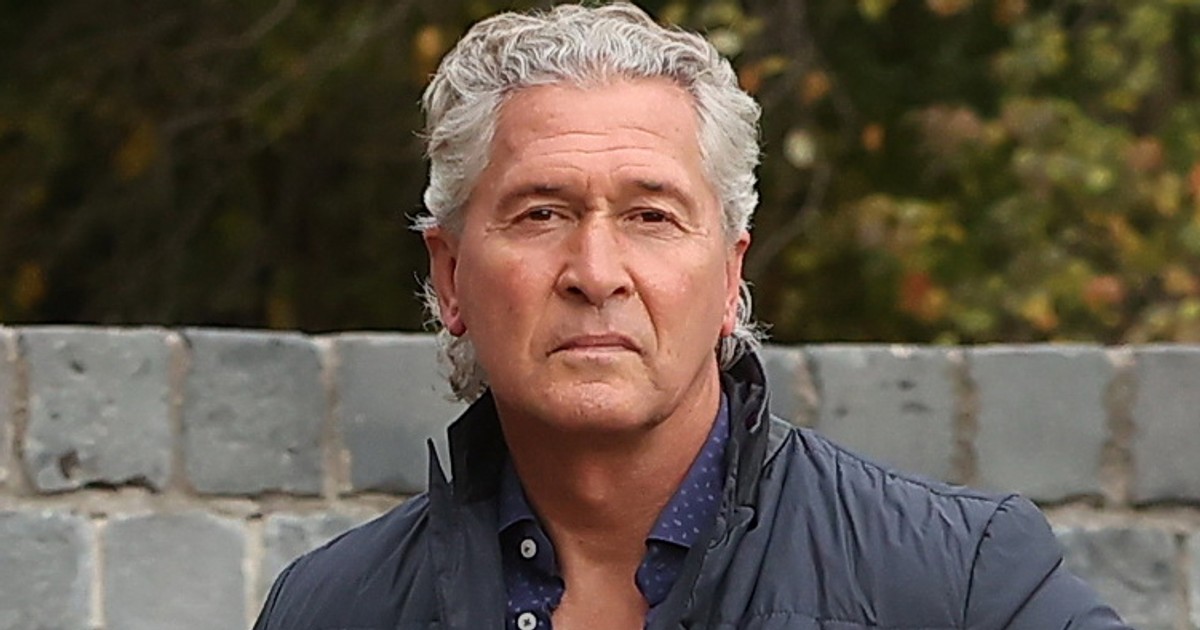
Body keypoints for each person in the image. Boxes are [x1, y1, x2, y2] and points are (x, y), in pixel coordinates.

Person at [254, 4, 1130, 629]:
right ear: (451, 276)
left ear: (729, 276)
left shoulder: (965, 585)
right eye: (541, 214)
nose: (597, 274)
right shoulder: (330, 608)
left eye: (651, 216)